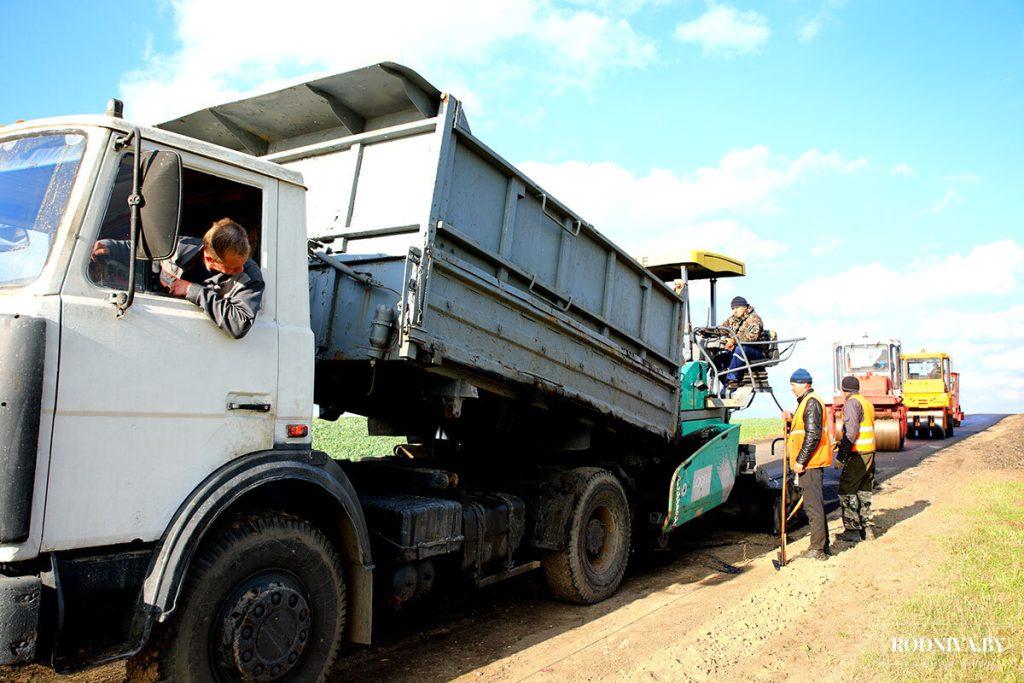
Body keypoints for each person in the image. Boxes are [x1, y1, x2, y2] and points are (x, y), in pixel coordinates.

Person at [92, 218, 264, 339]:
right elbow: (140, 251)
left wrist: (192, 291)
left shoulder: (250, 276)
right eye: (233, 267)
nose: (241, 269)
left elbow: (239, 323)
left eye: (243, 262)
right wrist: (109, 247)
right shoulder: (176, 249)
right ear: (210, 258)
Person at [782, 368, 833, 560]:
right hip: (810, 462)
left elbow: (813, 435)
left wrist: (800, 461)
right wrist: (790, 420)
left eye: (793, 385)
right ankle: (822, 545)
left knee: (813, 506)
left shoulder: (811, 402)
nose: (792, 389)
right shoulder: (806, 403)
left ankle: (817, 549)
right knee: (814, 504)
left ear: (805, 384)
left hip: (810, 462)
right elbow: (803, 429)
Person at [835, 375, 876, 542]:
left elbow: (851, 433)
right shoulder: (866, 402)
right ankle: (868, 530)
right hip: (869, 453)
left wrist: (841, 456)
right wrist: (840, 442)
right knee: (864, 490)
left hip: (857, 453)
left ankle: (852, 530)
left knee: (847, 489)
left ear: (844, 390)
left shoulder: (851, 403)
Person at [719, 296, 765, 389]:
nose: (734, 311)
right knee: (719, 359)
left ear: (744, 307)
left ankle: (732, 378)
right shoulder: (733, 319)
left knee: (740, 349)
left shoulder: (754, 319)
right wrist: (707, 332)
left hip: (756, 350)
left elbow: (751, 337)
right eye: (733, 309)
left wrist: (733, 341)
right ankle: (728, 385)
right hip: (739, 349)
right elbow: (722, 329)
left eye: (736, 308)